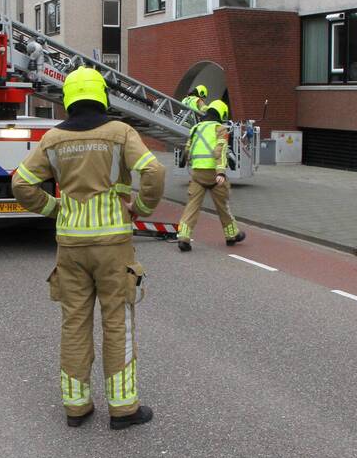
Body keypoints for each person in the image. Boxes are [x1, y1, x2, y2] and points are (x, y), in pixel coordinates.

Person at [12, 67, 165, 430]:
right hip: (113, 245)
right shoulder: (119, 132)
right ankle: (124, 408)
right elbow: (154, 172)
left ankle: (76, 406)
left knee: (74, 323)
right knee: (117, 323)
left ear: (68, 99)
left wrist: (55, 208)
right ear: (101, 96)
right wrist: (141, 209)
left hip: (71, 246)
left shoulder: (52, 138)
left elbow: (21, 183)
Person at [176, 99, 245, 253]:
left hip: (197, 174)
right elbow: (220, 151)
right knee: (223, 206)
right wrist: (221, 172)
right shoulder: (220, 129)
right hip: (214, 175)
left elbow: (187, 149)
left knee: (192, 206)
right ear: (221, 114)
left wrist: (185, 162)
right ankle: (232, 234)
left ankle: (183, 237)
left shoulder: (195, 128)